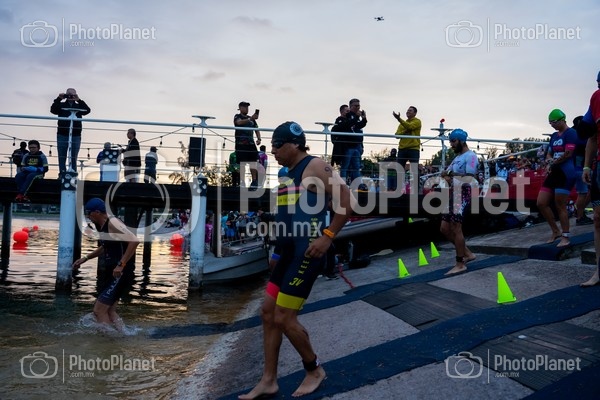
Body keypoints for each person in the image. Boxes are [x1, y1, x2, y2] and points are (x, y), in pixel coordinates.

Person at [239, 121, 352, 399]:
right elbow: (286, 219)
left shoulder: (315, 166)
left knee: (284, 317)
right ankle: (269, 380)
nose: (273, 150)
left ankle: (314, 370)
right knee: (268, 313)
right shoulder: (287, 175)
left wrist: (327, 236)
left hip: (308, 252)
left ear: (294, 144)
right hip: (287, 253)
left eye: (277, 145)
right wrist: (278, 253)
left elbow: (347, 201)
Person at [72, 198, 139, 333]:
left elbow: (134, 240)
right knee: (109, 311)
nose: (88, 217)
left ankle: (109, 341)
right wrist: (85, 258)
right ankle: (125, 336)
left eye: (89, 213)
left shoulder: (113, 222)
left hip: (119, 272)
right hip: (114, 272)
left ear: (97, 212)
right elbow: (105, 247)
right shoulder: (103, 226)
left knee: (99, 311)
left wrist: (121, 264)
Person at [536, 109, 578, 248]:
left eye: (553, 122)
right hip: (554, 171)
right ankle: (555, 231)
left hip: (566, 172)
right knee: (541, 202)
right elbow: (549, 153)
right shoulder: (554, 136)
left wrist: (553, 162)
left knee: (560, 205)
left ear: (562, 120)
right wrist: (549, 161)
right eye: (550, 123)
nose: (552, 125)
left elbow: (568, 153)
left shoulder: (571, 133)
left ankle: (565, 236)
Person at [439, 129, 478, 275]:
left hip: (465, 192)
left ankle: (460, 263)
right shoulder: (457, 158)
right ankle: (467, 253)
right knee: (444, 228)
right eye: (450, 142)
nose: (451, 145)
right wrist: (447, 175)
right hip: (455, 192)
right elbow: (445, 173)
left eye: (453, 141)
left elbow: (469, 177)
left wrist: (450, 174)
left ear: (462, 141)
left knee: (456, 227)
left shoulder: (471, 156)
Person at [581, 70, 600, 287]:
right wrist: (587, 165)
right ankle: (598, 270)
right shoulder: (596, 98)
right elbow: (592, 137)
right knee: (597, 218)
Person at [50, 88, 91, 173]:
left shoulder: (79, 106)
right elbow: (53, 110)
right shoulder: (61, 105)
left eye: (72, 95)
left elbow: (87, 110)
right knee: (62, 155)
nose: (70, 96)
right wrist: (59, 99)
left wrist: (79, 100)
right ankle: (62, 173)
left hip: (76, 134)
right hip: (62, 134)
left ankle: (73, 173)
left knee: (73, 156)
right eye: (68, 94)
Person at [334, 98, 367, 185]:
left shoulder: (355, 116)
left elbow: (359, 125)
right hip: (348, 146)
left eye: (359, 106)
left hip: (356, 145)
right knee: (345, 166)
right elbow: (348, 124)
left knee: (356, 167)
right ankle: (343, 184)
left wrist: (364, 118)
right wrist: (356, 117)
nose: (358, 108)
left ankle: (357, 184)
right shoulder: (346, 116)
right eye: (356, 106)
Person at [234, 101, 261, 190]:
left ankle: (254, 181)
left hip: (251, 144)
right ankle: (242, 182)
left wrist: (259, 138)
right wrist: (251, 119)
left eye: (247, 107)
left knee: (253, 162)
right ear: (240, 108)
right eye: (245, 107)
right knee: (242, 163)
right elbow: (239, 123)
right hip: (241, 144)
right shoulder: (237, 116)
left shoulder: (251, 119)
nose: (246, 108)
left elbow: (256, 129)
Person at [572, 116, 593, 225]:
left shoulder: (572, 135)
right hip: (580, 169)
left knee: (590, 191)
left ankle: (579, 211)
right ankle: (580, 217)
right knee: (583, 193)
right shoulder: (580, 137)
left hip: (578, 168)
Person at [393, 106, 422, 171]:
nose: (408, 111)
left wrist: (399, 119)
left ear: (415, 113)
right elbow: (397, 135)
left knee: (414, 171)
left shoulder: (417, 121)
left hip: (413, 149)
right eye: (407, 110)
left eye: (410, 110)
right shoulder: (402, 124)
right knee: (399, 170)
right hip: (402, 149)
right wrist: (405, 131)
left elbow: (410, 127)